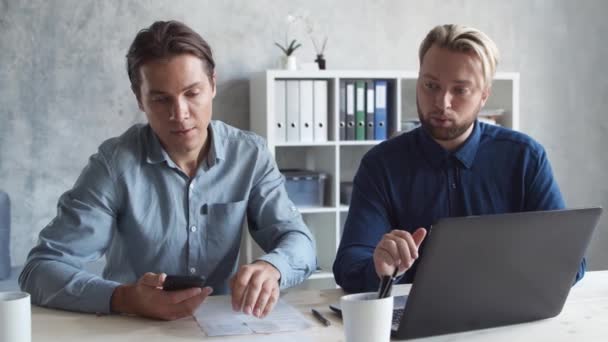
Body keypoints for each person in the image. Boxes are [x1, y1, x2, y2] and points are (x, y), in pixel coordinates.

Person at [19, 20, 316, 320]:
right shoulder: (113, 164)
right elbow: (39, 269)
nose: (180, 114)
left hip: (221, 327)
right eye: (161, 99)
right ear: (140, 100)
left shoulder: (250, 155)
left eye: (192, 93)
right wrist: (125, 298)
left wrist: (273, 267)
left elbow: (300, 242)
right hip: (132, 327)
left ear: (213, 85)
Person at [333, 24, 583, 293]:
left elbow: (571, 262)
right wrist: (379, 268)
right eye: (431, 85)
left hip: (503, 317)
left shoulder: (525, 158)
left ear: (484, 95)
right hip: (414, 325)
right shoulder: (380, 165)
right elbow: (349, 265)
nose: (442, 102)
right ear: (418, 81)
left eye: (460, 90)